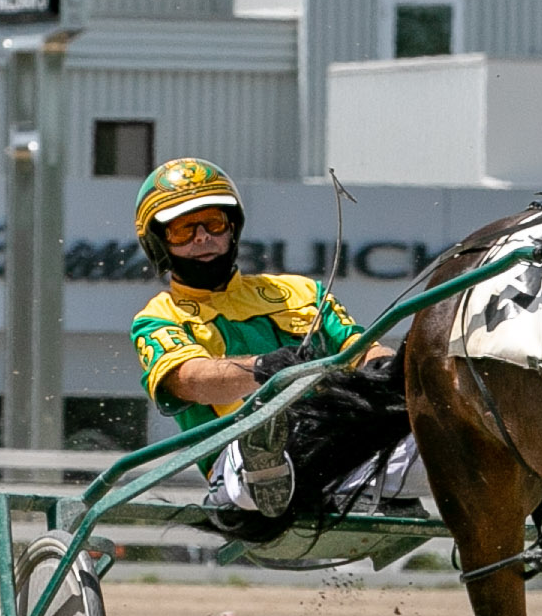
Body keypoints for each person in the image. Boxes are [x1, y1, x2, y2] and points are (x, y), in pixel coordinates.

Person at [120, 158, 414, 541]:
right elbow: (188, 380)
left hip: (339, 448)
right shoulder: (158, 317)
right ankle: (271, 468)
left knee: (436, 422)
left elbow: (360, 349)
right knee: (262, 435)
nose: (202, 237)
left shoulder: (302, 292)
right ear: (158, 242)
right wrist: (261, 369)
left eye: (213, 223)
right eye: (183, 229)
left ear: (232, 228)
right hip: (236, 461)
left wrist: (387, 368)